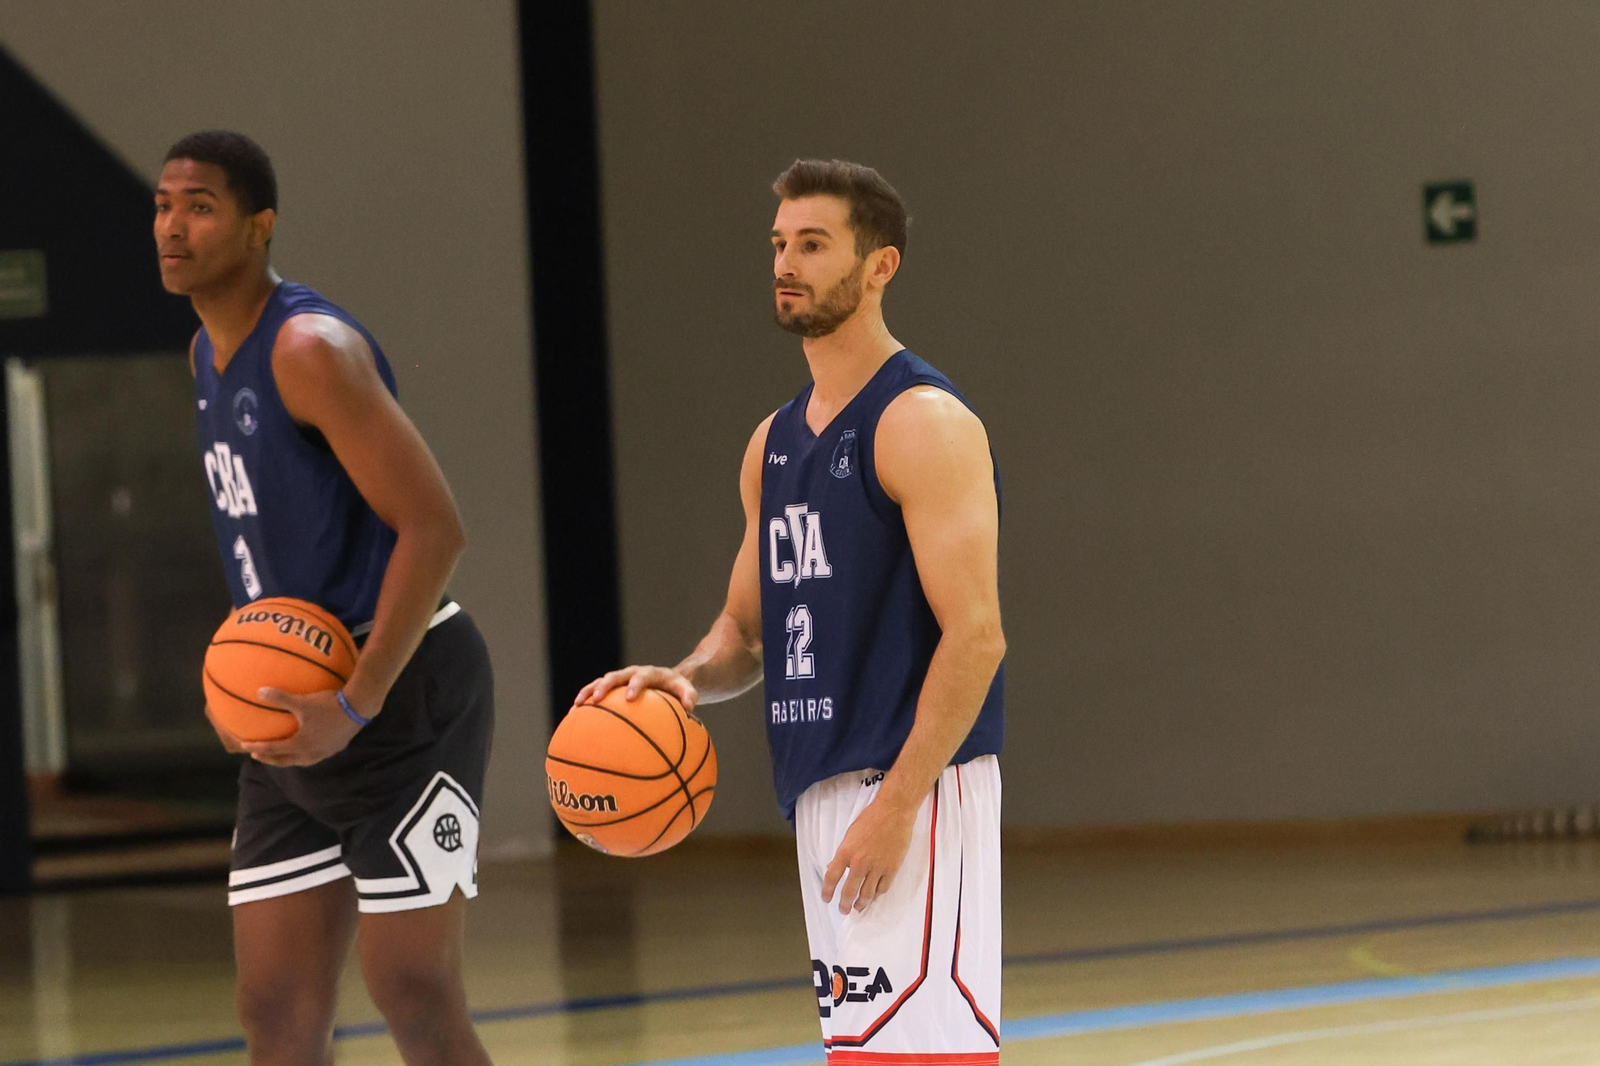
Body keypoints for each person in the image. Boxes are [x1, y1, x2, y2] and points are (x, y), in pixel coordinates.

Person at [575, 159, 1006, 1062]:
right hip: (816, 789)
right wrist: (684, 677)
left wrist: (897, 805)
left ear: (879, 265)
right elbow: (747, 630)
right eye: (779, 244)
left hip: (912, 786)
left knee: (924, 1055)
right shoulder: (772, 444)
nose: (787, 263)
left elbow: (977, 636)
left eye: (813, 244)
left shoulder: (922, 421)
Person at [156, 130, 494, 1066]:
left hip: (404, 686)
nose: (172, 227)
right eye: (161, 205)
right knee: (273, 1001)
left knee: (413, 987)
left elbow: (436, 529)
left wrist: (358, 700)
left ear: (259, 228)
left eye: (200, 206)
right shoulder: (202, 356)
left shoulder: (309, 349)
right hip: (295, 702)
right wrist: (241, 684)